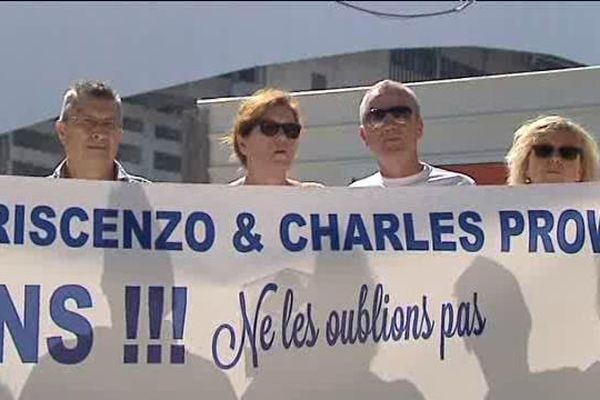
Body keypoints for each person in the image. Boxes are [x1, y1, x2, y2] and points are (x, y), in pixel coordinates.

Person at [349, 79, 474, 187]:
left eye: (400, 114)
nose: (390, 125)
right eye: (377, 117)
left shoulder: (459, 187)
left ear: (419, 127)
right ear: (364, 135)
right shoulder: (352, 198)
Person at [49, 79, 149, 182]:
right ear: (62, 131)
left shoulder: (152, 196)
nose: (100, 133)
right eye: (88, 121)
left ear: (119, 135)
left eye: (108, 124)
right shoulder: (35, 196)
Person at [224, 88, 323, 187]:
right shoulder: (224, 199)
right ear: (242, 144)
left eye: (291, 130)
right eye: (269, 128)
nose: (282, 138)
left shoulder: (313, 197)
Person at [505, 115, 599, 184]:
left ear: (581, 169)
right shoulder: (499, 207)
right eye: (544, 151)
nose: (555, 159)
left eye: (568, 153)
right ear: (525, 164)